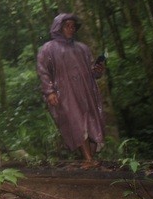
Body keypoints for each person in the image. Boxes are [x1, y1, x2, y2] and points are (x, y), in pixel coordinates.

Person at [36, 13, 106, 166]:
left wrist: (98, 71)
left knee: (91, 123)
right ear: (59, 27)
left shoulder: (83, 48)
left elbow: (91, 71)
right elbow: (43, 71)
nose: (71, 28)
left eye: (73, 26)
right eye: (67, 25)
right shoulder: (48, 49)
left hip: (86, 91)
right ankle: (88, 159)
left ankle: (89, 160)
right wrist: (49, 91)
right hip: (66, 94)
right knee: (77, 123)